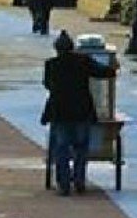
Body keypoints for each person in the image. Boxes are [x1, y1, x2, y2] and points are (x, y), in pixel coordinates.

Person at [42, 29, 116, 196]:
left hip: (60, 111)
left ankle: (63, 183)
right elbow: (104, 73)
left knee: (61, 148)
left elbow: (47, 84)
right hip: (82, 111)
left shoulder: (51, 64)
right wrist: (114, 67)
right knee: (81, 147)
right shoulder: (83, 61)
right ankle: (79, 180)